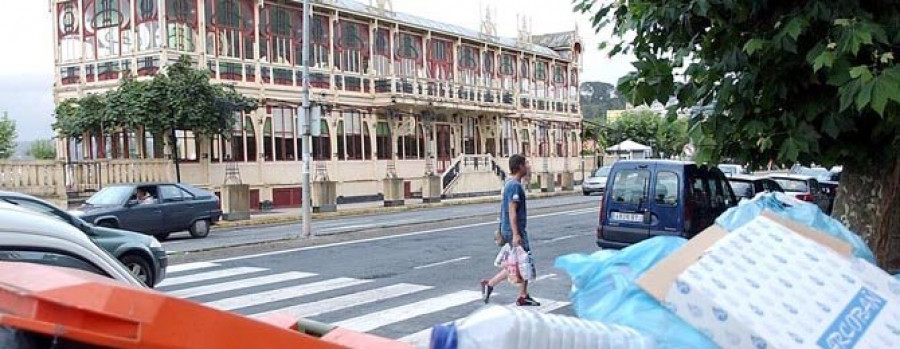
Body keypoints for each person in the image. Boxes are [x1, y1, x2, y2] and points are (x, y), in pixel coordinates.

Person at [480, 154, 540, 306]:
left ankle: (494, 285)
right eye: (526, 164)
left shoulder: (511, 183)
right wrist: (516, 234)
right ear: (519, 166)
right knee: (525, 260)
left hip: (510, 229)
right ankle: (521, 295)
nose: (528, 167)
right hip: (514, 230)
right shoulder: (514, 186)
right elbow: (512, 211)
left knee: (516, 262)